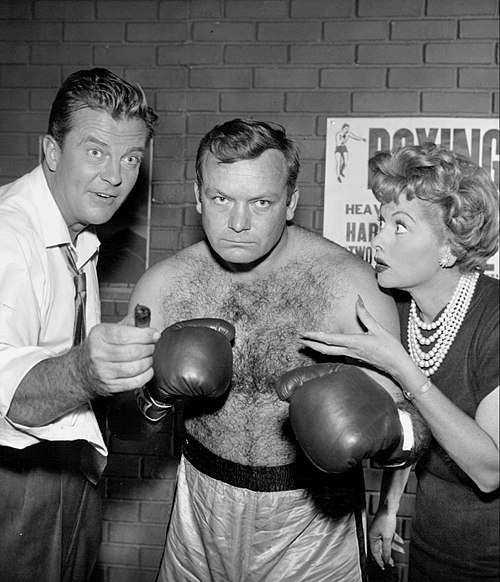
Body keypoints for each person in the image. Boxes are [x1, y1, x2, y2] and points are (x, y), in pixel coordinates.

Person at [110, 118, 430, 582]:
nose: (239, 223)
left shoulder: (348, 288)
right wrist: (157, 395)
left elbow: (416, 428)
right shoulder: (164, 287)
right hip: (201, 507)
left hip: (315, 520)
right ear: (199, 196)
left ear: (291, 203)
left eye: (261, 202)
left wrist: (381, 430)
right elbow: (122, 426)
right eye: (222, 199)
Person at [300, 143, 499, 581]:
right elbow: (420, 427)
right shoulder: (402, 312)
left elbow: (490, 470)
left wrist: (401, 369)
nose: (378, 239)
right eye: (381, 223)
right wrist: (389, 507)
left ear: (449, 246)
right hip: (432, 545)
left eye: (400, 227)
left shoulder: (494, 319)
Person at [0, 68, 162, 582]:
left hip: (69, 475)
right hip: (15, 482)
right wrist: (87, 374)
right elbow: (7, 391)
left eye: (131, 158)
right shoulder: (10, 235)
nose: (115, 176)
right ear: (51, 151)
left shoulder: (78, 240)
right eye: (95, 152)